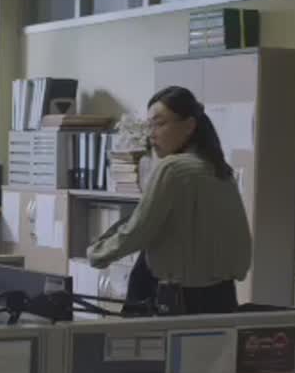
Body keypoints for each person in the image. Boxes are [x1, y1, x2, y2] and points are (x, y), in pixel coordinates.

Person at [88, 86, 251, 315]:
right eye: (149, 126)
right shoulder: (221, 171)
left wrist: (98, 253)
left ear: (189, 126)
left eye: (159, 124)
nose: (152, 134)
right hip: (222, 297)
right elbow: (241, 247)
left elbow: (139, 230)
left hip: (178, 300)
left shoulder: (173, 169)